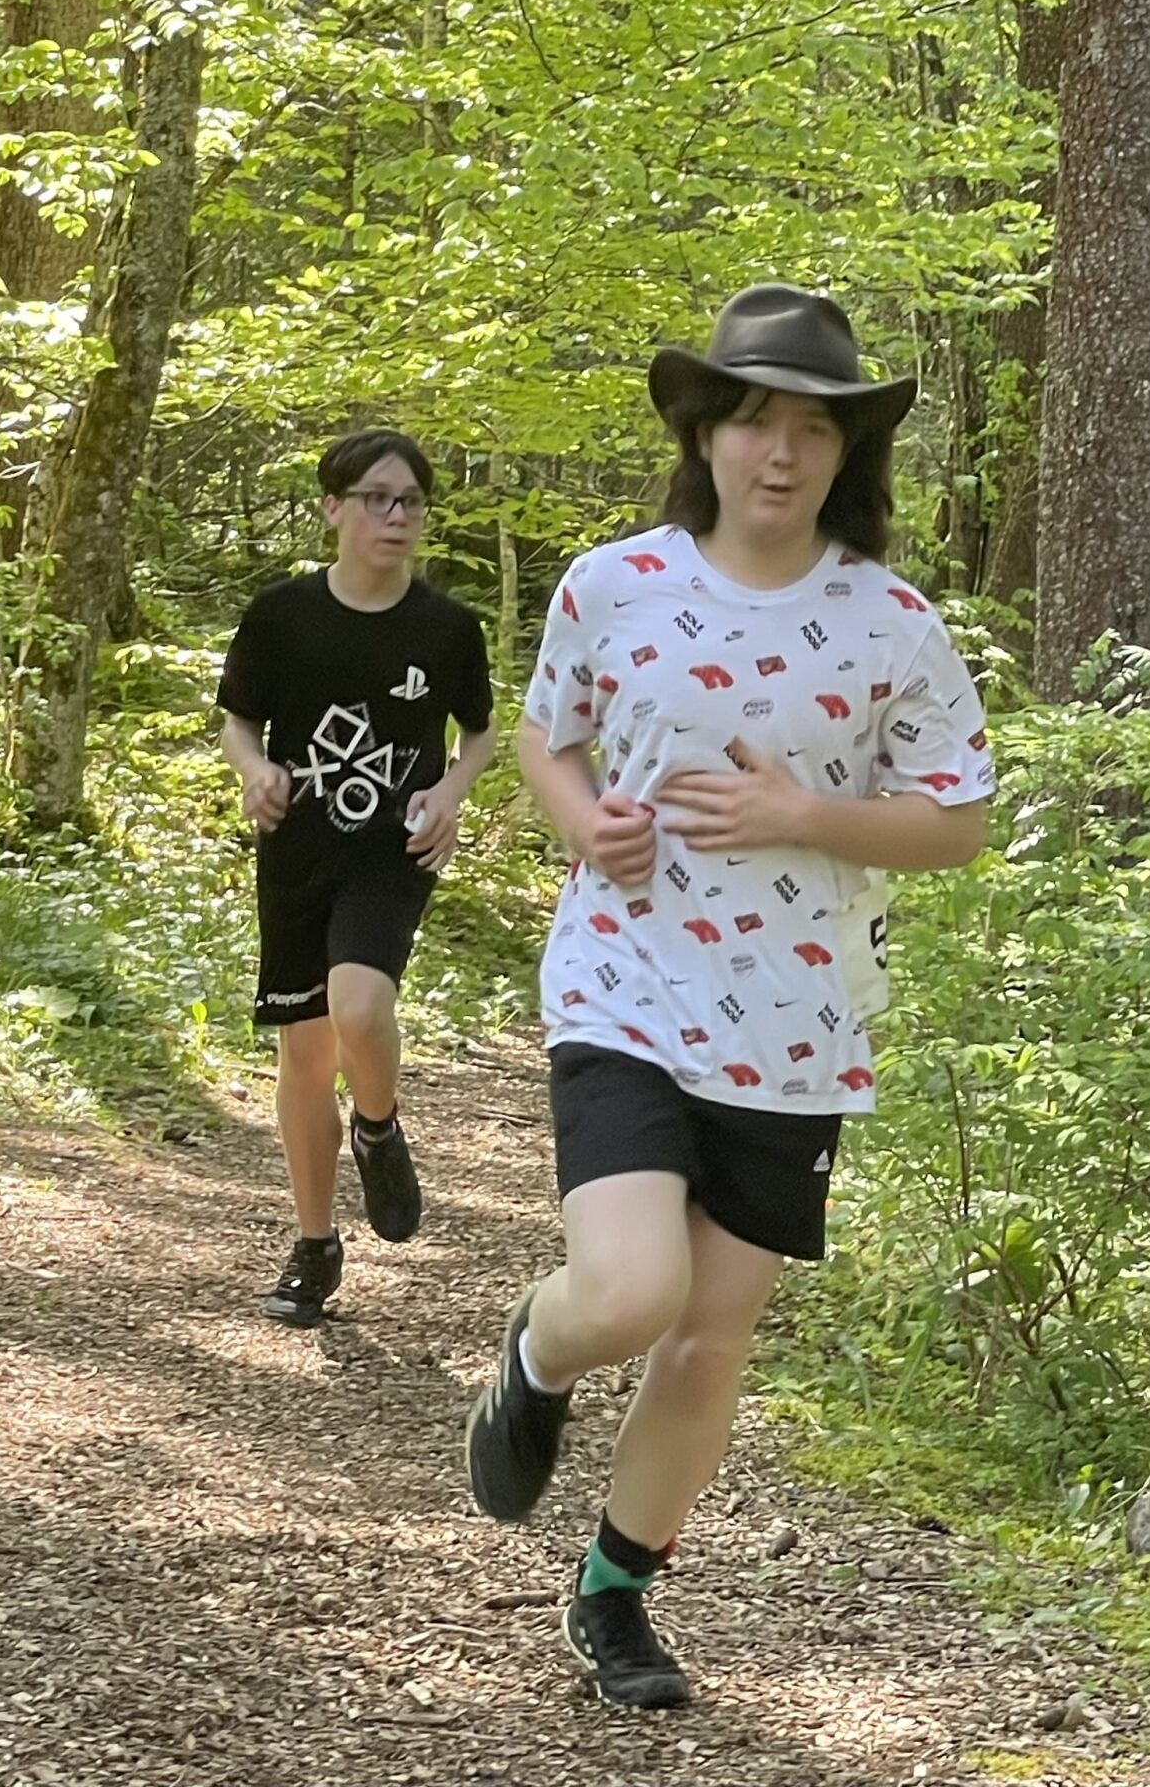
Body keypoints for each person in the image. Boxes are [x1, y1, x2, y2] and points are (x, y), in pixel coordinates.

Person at [464, 285, 994, 1707]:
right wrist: (582, 823)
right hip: (625, 981)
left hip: (795, 1022)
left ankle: (613, 1593)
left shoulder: (892, 623)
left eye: (812, 428)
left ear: (845, 452)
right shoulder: (612, 583)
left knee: (708, 1338)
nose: (781, 452)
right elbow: (547, 735)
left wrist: (803, 814)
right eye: (754, 420)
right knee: (632, 1291)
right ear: (702, 434)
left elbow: (955, 822)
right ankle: (538, 1348)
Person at [218, 429, 496, 1327]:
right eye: (376, 497)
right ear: (333, 507)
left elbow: (479, 731)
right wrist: (254, 771)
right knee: (303, 1055)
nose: (395, 515)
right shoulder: (281, 615)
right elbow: (238, 720)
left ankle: (377, 1126)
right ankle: (313, 1246)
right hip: (297, 849)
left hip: (391, 850)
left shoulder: (447, 628)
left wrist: (449, 793)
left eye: (409, 500)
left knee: (362, 1007)